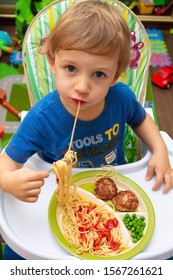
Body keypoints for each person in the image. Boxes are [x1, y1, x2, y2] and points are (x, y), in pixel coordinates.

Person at [0, 0, 173, 259]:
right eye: (71, 69)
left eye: (99, 74)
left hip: (115, 182)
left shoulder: (121, 98)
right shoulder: (41, 119)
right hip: (59, 199)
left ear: (115, 77)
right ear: (52, 61)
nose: (82, 86)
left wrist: (159, 149)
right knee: (16, 257)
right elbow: (6, 163)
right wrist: (8, 180)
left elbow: (141, 120)